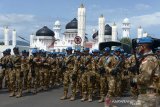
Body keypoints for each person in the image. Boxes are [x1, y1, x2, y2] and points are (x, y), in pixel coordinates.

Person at [132, 37, 160, 107]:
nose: (137, 48)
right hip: (147, 94)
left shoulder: (148, 60)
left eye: (138, 46)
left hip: (148, 96)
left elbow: (144, 78)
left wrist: (133, 80)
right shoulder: (148, 57)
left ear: (143, 46)